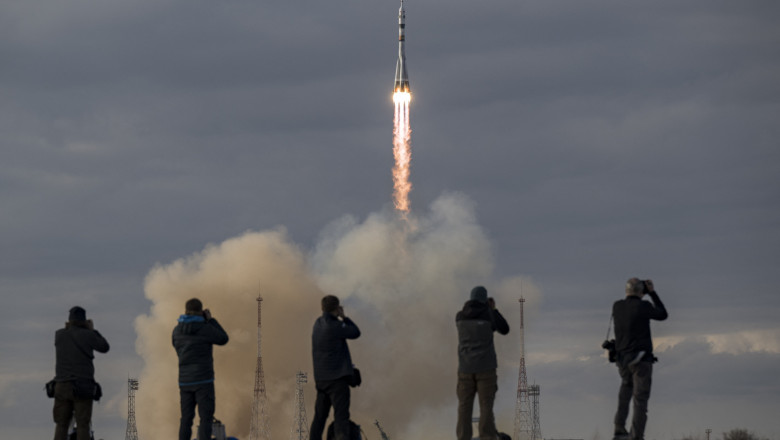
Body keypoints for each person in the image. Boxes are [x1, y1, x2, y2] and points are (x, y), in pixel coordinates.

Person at [611, 278, 668, 440]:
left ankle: (619, 428)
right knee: (640, 399)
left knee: (625, 392)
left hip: (622, 360)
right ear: (641, 291)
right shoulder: (643, 306)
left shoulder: (617, 306)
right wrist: (652, 293)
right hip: (641, 360)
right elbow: (663, 314)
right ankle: (636, 436)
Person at [456, 286, 510, 440]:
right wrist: (493, 309)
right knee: (486, 406)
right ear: (484, 299)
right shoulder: (489, 315)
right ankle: (487, 436)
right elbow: (504, 329)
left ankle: (463, 437)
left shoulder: (459, 317)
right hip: (486, 368)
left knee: (464, 407)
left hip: (465, 369)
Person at [172, 298, 229, 440]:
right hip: (204, 380)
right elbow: (223, 338)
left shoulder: (177, 330)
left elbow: (176, 346)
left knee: (186, 418)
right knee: (205, 418)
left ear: (185, 311)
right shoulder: (205, 328)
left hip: (184, 382)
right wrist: (210, 320)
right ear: (200, 311)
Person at [53, 306, 110, 440]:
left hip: (61, 385)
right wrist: (92, 330)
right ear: (84, 321)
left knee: (61, 424)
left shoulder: (59, 334)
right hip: (83, 386)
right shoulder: (88, 335)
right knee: (83, 424)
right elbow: (104, 347)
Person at [310, 295, 361, 440]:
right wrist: (344, 317)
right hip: (337, 380)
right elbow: (355, 332)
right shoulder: (335, 326)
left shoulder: (317, 324)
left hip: (321, 380)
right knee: (341, 418)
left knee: (319, 417)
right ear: (337, 308)